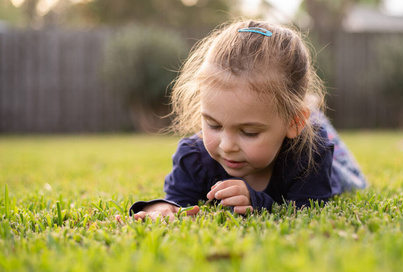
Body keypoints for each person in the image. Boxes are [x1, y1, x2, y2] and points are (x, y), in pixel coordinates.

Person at [128, 19, 367, 222]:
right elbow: (177, 201)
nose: (227, 145)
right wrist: (159, 210)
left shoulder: (310, 156)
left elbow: (308, 210)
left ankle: (310, 112)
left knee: (344, 168)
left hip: (320, 152)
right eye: (214, 125)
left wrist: (256, 201)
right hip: (294, 118)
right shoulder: (193, 158)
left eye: (249, 132)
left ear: (293, 123)